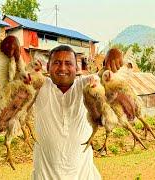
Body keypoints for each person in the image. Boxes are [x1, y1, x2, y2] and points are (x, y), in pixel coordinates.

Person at [32, 45, 122, 179]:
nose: (62, 68)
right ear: (48, 67)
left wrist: (114, 53)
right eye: (57, 63)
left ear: (77, 68)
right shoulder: (40, 86)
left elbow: (104, 75)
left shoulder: (86, 84)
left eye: (68, 63)